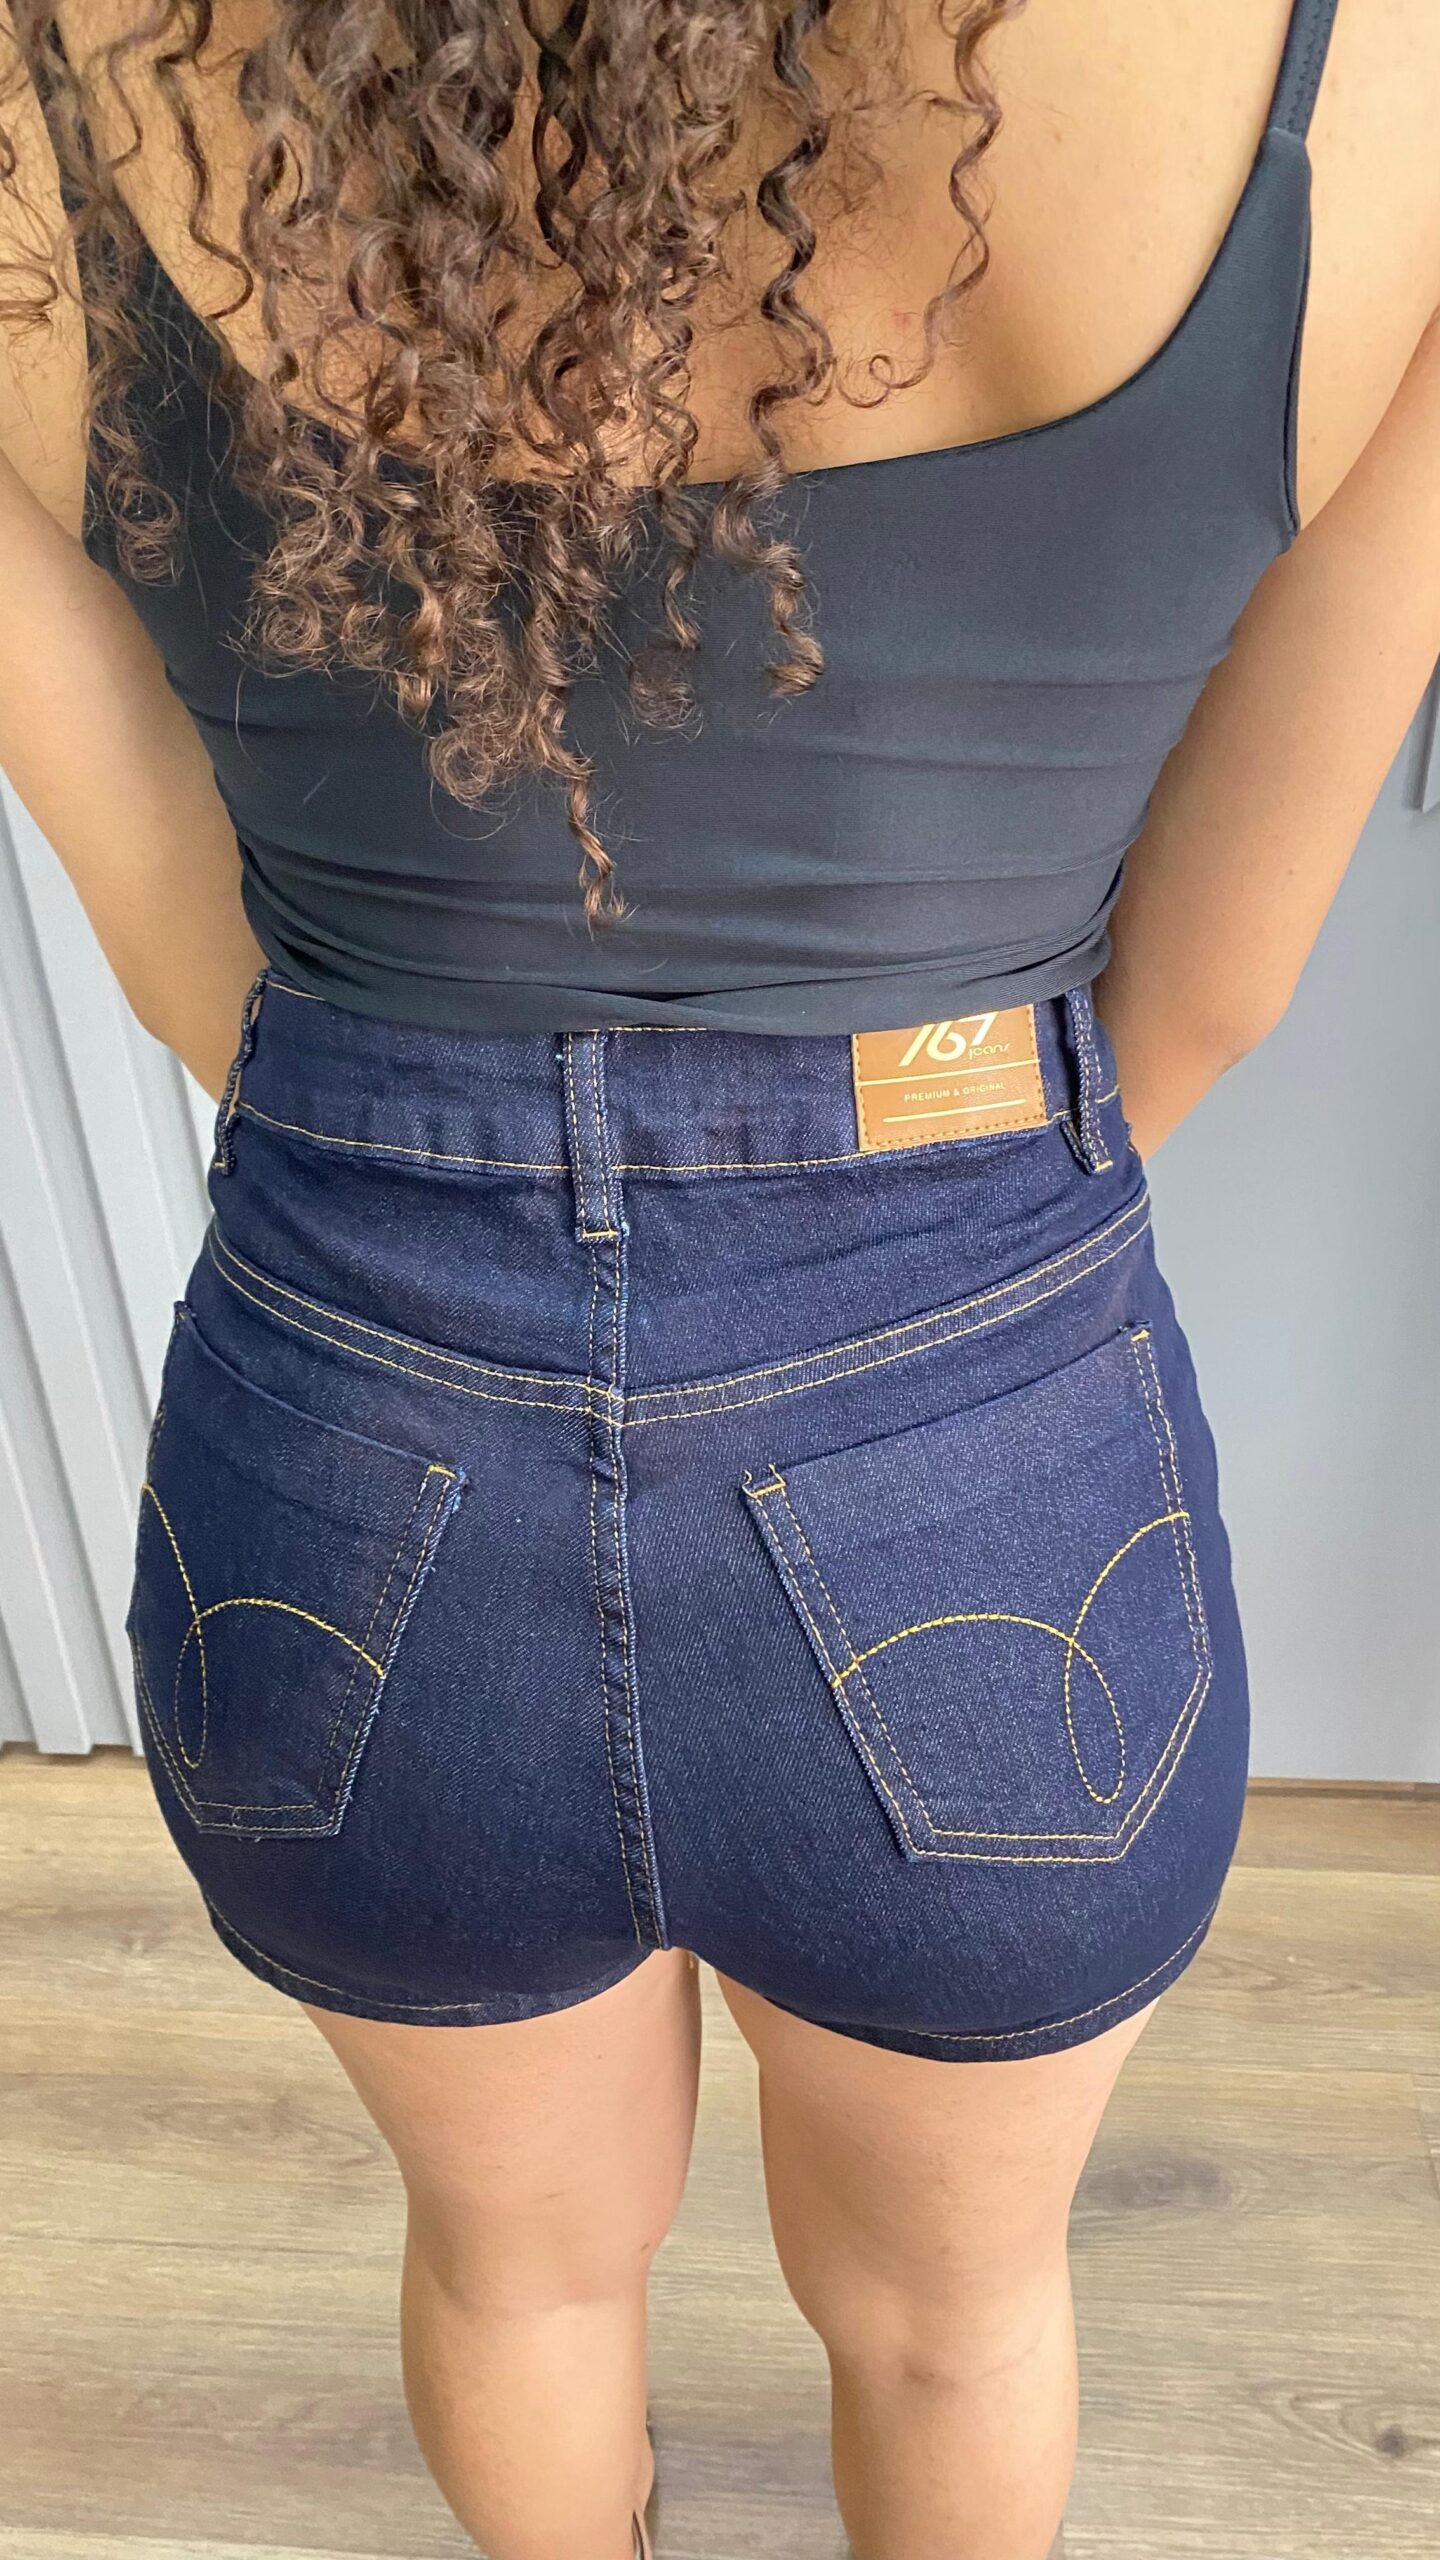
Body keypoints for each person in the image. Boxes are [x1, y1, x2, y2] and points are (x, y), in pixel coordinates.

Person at [2, 5, 1438, 2555]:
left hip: (346, 1418)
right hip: (982, 1431)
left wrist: (447, 1151)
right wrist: (905, 1195)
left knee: (521, 2271)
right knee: (953, 2318)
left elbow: (176, 931)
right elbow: (1207, 990)